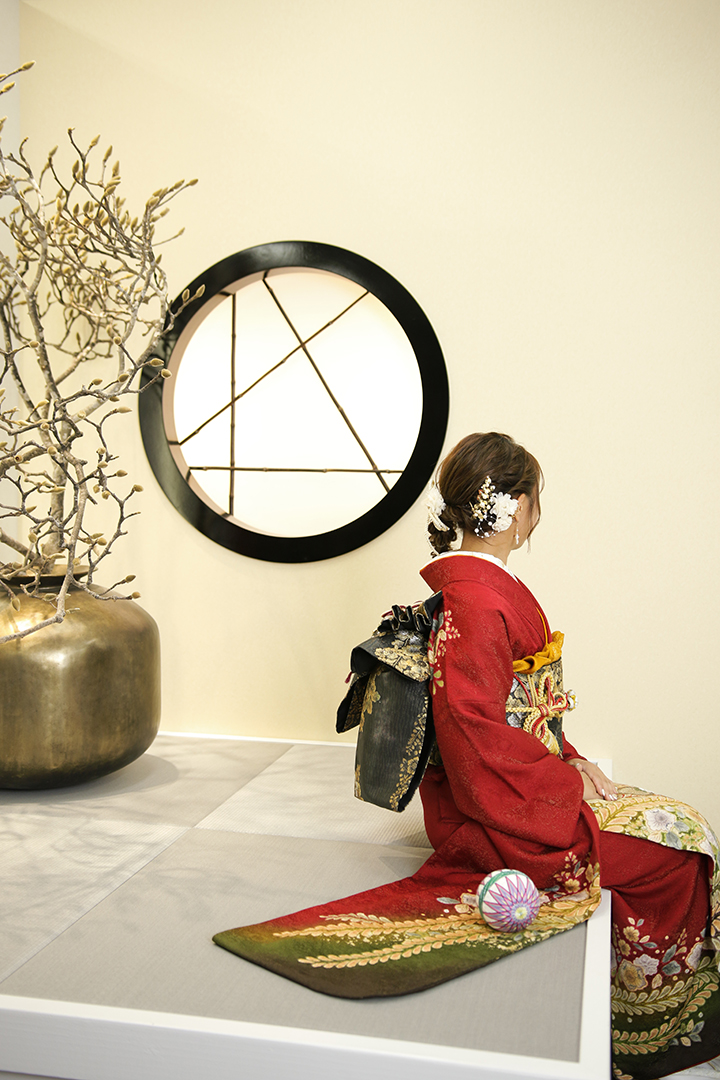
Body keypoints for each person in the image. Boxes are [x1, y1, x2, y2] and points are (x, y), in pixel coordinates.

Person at [214, 432, 719, 1080]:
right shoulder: (478, 601)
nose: (536, 511)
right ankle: (642, 1035)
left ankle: (641, 1015)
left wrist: (571, 758)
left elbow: (524, 710)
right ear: (518, 505)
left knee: (682, 824)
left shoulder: (483, 590)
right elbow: (473, 732)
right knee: (679, 853)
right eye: (535, 498)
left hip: (523, 785)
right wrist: (562, 789)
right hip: (499, 814)